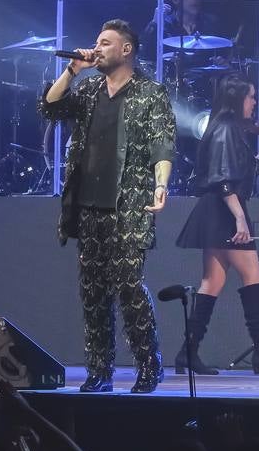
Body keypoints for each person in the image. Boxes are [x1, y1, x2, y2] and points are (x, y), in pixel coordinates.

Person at [40, 20, 176, 393]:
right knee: (93, 292)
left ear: (126, 49)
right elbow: (50, 107)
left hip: (128, 206)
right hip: (89, 207)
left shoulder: (150, 93)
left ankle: (149, 366)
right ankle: (100, 371)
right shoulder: (88, 90)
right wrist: (73, 69)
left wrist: (161, 185)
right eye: (96, 42)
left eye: (105, 43)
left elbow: (162, 142)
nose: (96, 48)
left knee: (130, 287)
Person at [172, 75, 259, 375]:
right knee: (252, 274)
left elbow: (245, 172)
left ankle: (188, 352)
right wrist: (239, 217)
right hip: (225, 211)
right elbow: (223, 181)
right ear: (238, 99)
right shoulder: (225, 129)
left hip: (218, 210)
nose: (254, 103)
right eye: (251, 97)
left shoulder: (228, 128)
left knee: (212, 281)